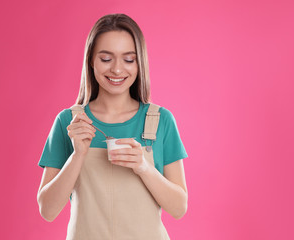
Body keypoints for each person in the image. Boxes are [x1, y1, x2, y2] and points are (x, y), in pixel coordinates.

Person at [37, 13, 188, 240]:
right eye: (106, 59)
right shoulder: (69, 122)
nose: (117, 70)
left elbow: (179, 208)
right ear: (91, 60)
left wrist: (143, 168)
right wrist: (77, 155)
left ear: (140, 63)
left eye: (128, 59)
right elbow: (47, 211)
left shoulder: (160, 121)